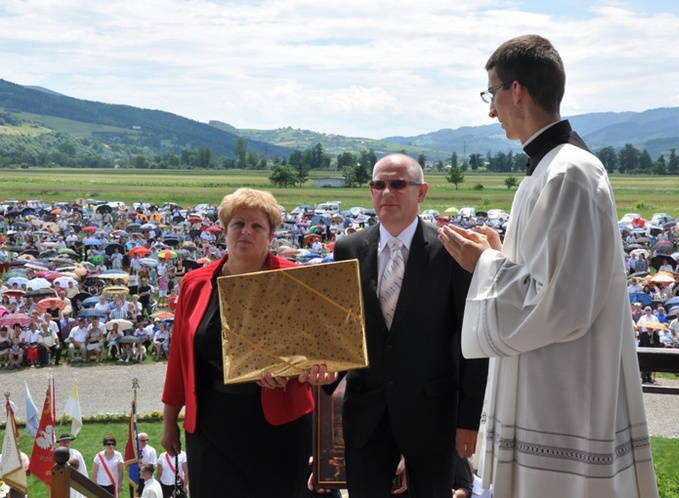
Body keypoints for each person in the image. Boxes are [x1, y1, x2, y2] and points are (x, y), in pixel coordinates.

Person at [438, 34, 658, 496]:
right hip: (548, 389)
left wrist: (484, 264)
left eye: (492, 93)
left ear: (516, 90)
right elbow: (549, 275)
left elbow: (560, 304)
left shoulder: (568, 173)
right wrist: (499, 254)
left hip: (560, 403)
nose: (490, 110)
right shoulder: (551, 169)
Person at [161, 188, 336, 498]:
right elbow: (179, 358)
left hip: (278, 424)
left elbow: (316, 352)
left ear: (270, 235)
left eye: (257, 226)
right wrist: (169, 421)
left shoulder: (294, 280)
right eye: (238, 223)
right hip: (210, 424)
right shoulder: (196, 282)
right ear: (225, 230)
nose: (246, 232)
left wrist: (293, 371)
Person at [331, 153, 488, 497]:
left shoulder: (450, 251)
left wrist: (468, 420)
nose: (386, 192)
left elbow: (471, 339)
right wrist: (328, 373)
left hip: (432, 417)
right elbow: (339, 328)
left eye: (398, 184)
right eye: (378, 184)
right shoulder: (348, 248)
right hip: (366, 417)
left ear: (422, 192)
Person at [132, 432, 157, 497]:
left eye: (147, 440)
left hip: (146, 477)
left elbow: (153, 465)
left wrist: (143, 466)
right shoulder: (133, 450)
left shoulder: (151, 450)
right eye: (143, 440)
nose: (145, 442)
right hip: (134, 477)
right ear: (137, 440)